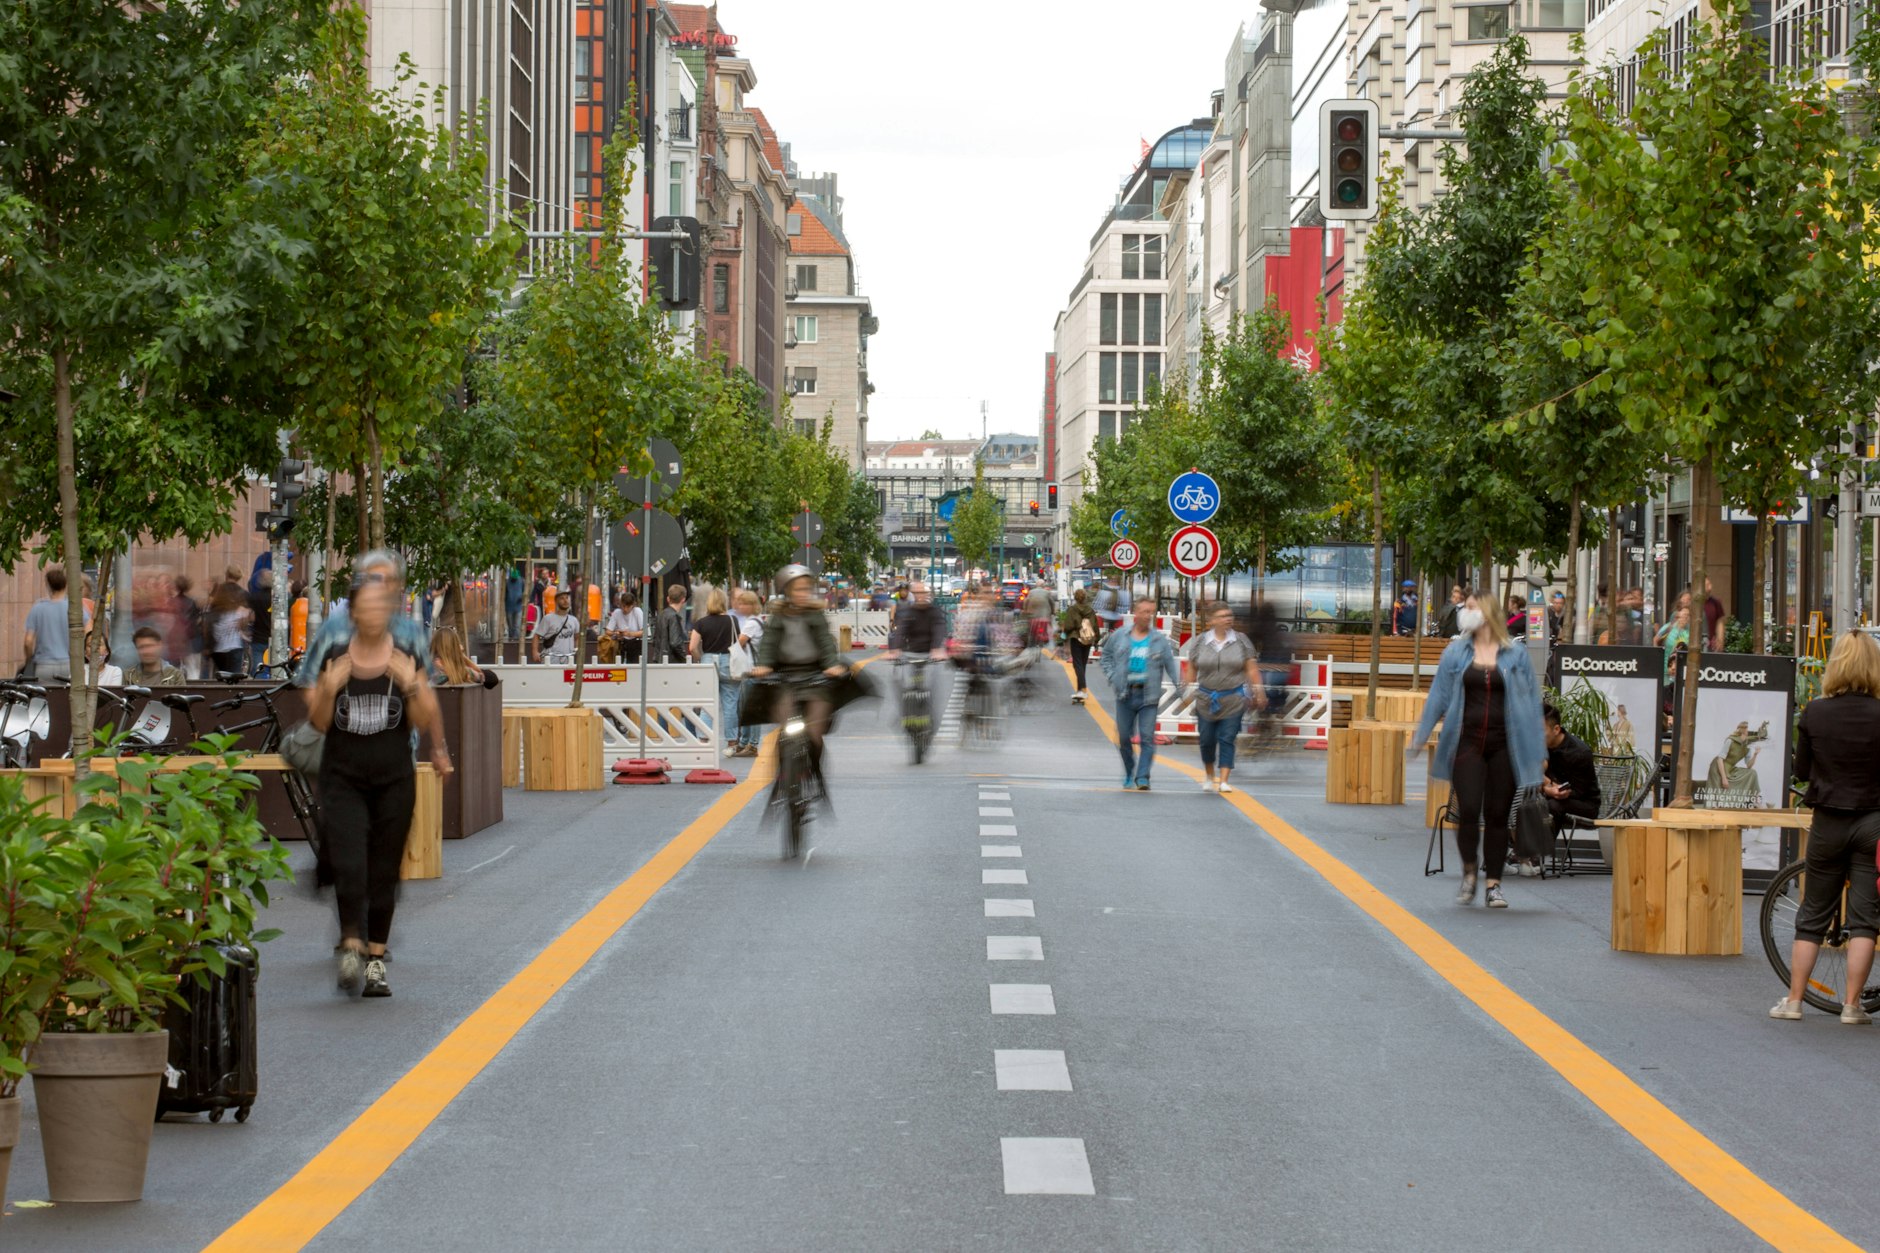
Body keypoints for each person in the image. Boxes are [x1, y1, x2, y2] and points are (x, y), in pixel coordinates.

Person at [305, 560, 452, 1000]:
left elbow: (423, 718)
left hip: (393, 777)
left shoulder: (406, 657)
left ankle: (374, 959)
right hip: (343, 776)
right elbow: (316, 722)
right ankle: (350, 942)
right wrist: (329, 689)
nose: (372, 614)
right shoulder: (335, 656)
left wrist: (411, 685)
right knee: (350, 862)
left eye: (379, 606)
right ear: (352, 614)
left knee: (385, 869)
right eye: (364, 607)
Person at [1411, 590, 1546, 910]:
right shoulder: (1456, 652)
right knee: (1469, 809)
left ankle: (1494, 884)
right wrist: (1421, 735)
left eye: (1470, 608)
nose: (1463, 612)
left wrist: (1540, 753)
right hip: (1466, 742)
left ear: (1486, 614)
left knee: (1499, 816)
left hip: (1505, 745)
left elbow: (1530, 705)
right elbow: (1439, 696)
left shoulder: (1516, 654)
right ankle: (1470, 871)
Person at [1771, 631, 1880, 1023]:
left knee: (1813, 912)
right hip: (1873, 822)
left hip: (1828, 820)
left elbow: (1801, 771)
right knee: (1866, 919)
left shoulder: (1815, 712)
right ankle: (1853, 1006)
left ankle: (1795, 1000)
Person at [749, 565, 848, 782]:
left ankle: (815, 769)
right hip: (785, 678)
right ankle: (784, 772)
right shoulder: (777, 617)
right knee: (786, 729)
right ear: (787, 591)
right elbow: (768, 644)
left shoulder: (816, 615)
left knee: (814, 732)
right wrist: (763, 666)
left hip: (815, 677)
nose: (803, 594)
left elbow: (825, 643)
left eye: (806, 589)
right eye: (798, 590)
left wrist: (832, 665)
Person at [1098, 596, 1181, 792]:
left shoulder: (1159, 640)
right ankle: (1129, 771)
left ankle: (1143, 777)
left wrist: (1179, 688)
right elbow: (1106, 657)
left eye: (1151, 612)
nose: (1148, 616)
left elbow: (1170, 665)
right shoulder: (1120, 635)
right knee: (1124, 738)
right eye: (1144, 611)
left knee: (1146, 737)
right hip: (1125, 695)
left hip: (1148, 696)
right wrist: (1112, 676)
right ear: (1135, 613)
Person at [1184, 602, 1259, 794]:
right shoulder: (1201, 641)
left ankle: (1224, 780)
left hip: (1233, 698)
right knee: (1207, 740)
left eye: (1230, 615)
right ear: (1212, 620)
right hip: (1205, 699)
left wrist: (1259, 691)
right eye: (1223, 615)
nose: (1228, 618)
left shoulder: (1241, 641)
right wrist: (1187, 684)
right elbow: (1192, 664)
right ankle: (1209, 775)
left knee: (1227, 738)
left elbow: (1251, 668)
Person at [1528, 703, 1602, 876]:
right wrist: (1547, 787)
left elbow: (1580, 791)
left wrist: (1551, 788)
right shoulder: (1538, 747)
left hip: (1585, 804)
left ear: (1556, 729)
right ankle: (1519, 850)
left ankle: (1537, 855)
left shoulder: (1580, 752)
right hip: (1551, 796)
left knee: (1553, 805)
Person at [690, 588, 741, 752]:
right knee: (730, 704)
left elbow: (692, 647)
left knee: (707, 703)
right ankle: (731, 743)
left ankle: (704, 740)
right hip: (728, 662)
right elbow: (738, 643)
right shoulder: (732, 620)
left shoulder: (701, 623)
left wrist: (700, 658)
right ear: (724, 602)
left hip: (708, 662)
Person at [20, 565, 87, 681]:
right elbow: (87, 631)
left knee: (45, 698)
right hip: (69, 664)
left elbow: (28, 641)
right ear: (66, 584)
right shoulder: (74, 607)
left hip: (44, 664)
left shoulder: (38, 608)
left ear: (48, 585)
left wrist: (29, 659)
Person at [728, 589, 767, 756]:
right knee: (747, 709)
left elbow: (739, 643)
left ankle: (751, 744)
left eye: (743, 603)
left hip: (752, 670)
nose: (739, 606)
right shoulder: (756, 621)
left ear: (752, 605)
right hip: (752, 669)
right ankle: (745, 743)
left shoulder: (751, 623)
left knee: (751, 710)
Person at [1059, 588, 1100, 705]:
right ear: (1085, 597)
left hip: (1076, 638)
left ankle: (1082, 688)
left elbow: (1069, 625)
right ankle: (1079, 690)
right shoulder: (1090, 610)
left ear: (1075, 597)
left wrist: (1064, 634)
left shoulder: (1072, 609)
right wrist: (1096, 639)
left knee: (1077, 665)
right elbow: (1095, 625)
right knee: (1082, 664)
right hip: (1087, 639)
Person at [208, 577, 252, 677]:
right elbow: (249, 615)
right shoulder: (238, 611)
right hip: (234, 648)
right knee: (234, 677)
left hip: (218, 650)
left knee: (222, 676)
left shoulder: (215, 611)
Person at [531, 594, 580, 665]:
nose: (565, 600)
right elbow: (536, 636)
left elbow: (577, 637)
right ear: (556, 601)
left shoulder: (574, 620)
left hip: (568, 660)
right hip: (550, 660)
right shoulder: (548, 618)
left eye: (567, 598)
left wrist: (576, 649)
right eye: (562, 598)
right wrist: (535, 652)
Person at [604, 591, 645, 665]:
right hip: (622, 644)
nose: (625, 609)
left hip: (635, 644)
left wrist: (629, 634)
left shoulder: (637, 612)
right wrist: (615, 633)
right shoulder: (617, 613)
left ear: (632, 605)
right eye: (623, 606)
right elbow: (608, 631)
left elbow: (643, 632)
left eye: (628, 607)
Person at [247, 569, 274, 674]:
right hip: (273, 638)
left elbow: (251, 617)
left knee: (258, 670)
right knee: (275, 669)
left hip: (258, 638)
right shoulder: (277, 598)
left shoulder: (254, 598)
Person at [656, 584, 690, 664]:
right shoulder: (674, 617)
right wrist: (684, 658)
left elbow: (656, 640)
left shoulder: (662, 614)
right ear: (683, 600)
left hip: (660, 660)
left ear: (668, 599)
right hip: (672, 661)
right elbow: (675, 643)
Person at [1656, 605, 1691, 682]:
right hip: (1665, 669)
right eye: (1684, 614)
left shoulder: (1689, 633)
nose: (1685, 617)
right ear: (1678, 615)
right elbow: (1656, 640)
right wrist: (1657, 658)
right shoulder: (1669, 627)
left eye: (1688, 615)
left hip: (1680, 671)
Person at [1025, 581, 1055, 651]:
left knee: (1031, 629)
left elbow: (1026, 601)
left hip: (1033, 616)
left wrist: (1025, 610)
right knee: (1046, 627)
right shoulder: (1046, 592)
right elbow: (1052, 603)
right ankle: (1044, 639)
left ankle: (1032, 639)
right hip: (1044, 616)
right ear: (1043, 585)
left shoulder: (1031, 592)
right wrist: (1053, 612)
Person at [1701, 577, 1727, 651]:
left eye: (1710, 584)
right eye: (1707, 585)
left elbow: (1720, 622)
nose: (1710, 587)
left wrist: (1720, 640)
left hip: (1710, 643)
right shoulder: (1694, 602)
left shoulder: (1715, 603)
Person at [505, 568, 525, 641]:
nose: (514, 579)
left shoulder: (522, 581)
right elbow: (505, 594)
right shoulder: (507, 582)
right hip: (508, 606)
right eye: (513, 578)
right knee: (510, 624)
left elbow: (525, 591)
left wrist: (522, 598)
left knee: (517, 624)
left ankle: (516, 639)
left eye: (515, 578)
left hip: (518, 606)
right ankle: (511, 638)